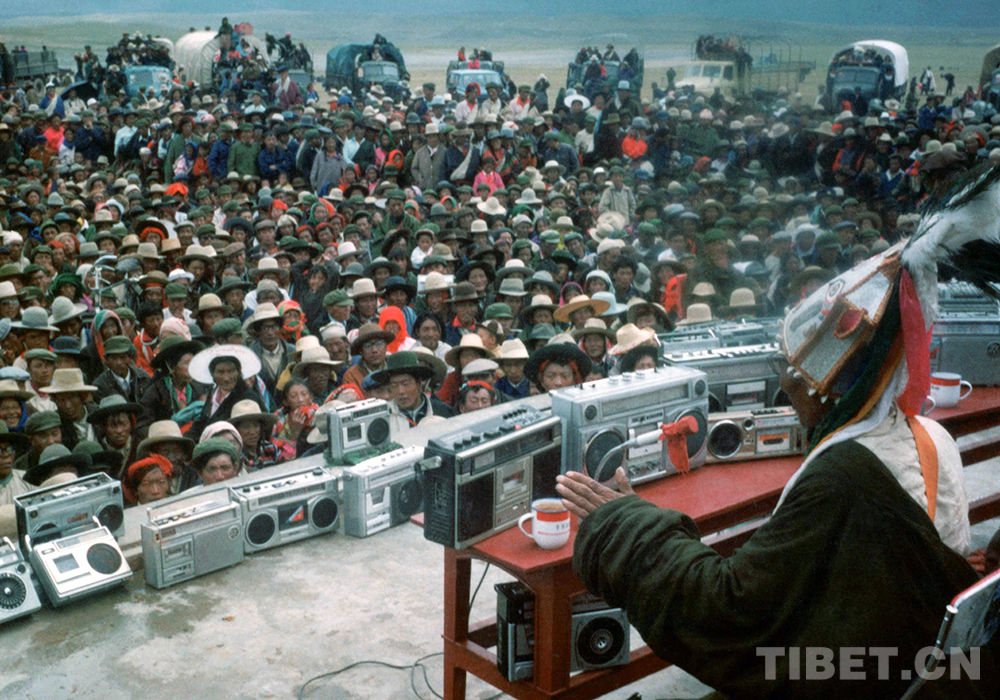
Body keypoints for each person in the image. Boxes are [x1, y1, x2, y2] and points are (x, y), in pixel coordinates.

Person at [557, 231, 994, 698]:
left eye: (792, 369)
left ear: (828, 386)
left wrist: (626, 523)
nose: (784, 383)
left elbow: (728, 610)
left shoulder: (840, 480)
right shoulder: (934, 437)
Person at [187, 344, 267, 441]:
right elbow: (202, 423)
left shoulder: (248, 396)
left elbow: (264, 427)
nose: (226, 378)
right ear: (212, 374)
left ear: (239, 372)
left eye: (231, 371)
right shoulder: (213, 393)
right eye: (220, 372)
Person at [374, 351, 454, 432]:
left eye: (406, 384)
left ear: (418, 384)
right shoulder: (382, 419)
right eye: (394, 386)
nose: (400, 391)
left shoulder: (442, 411)